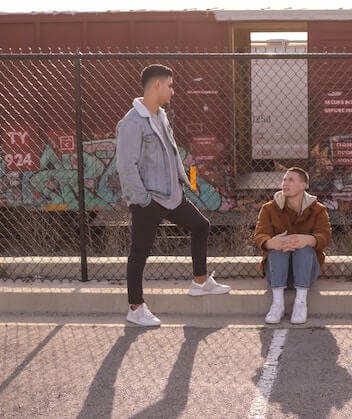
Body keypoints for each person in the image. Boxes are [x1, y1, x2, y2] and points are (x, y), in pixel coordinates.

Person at [116, 64, 230, 327]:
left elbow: (170, 151)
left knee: (201, 226)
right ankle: (136, 308)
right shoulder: (132, 123)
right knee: (140, 252)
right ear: (157, 85)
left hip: (171, 194)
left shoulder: (161, 115)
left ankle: (200, 282)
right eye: (170, 85)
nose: (173, 91)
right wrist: (142, 199)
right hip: (149, 199)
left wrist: (182, 180)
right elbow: (125, 165)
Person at [254, 167, 332, 325]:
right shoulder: (269, 208)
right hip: (276, 272)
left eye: (291, 180)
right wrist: (271, 242)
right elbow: (260, 234)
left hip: (306, 272)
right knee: (278, 247)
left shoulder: (318, 210)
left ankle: (300, 304)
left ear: (304, 185)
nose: (285, 183)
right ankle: (278, 304)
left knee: (304, 248)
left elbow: (325, 235)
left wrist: (309, 240)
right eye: (284, 180)